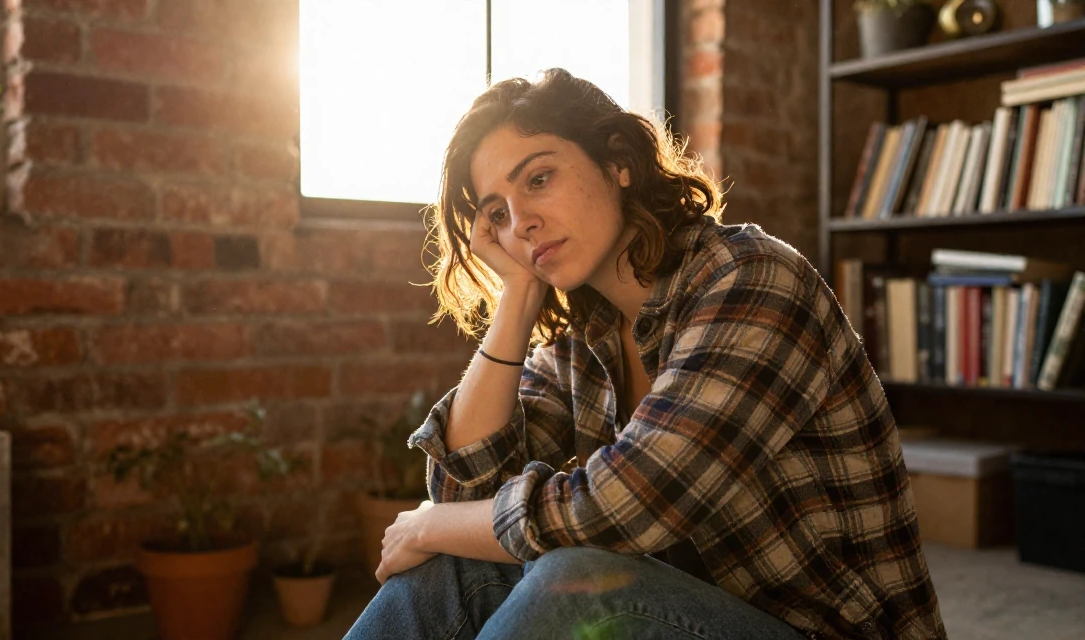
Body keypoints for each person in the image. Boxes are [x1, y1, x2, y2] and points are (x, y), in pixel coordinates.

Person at [344, 68, 946, 640]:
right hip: (679, 615)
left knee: (571, 581)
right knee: (449, 571)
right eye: (497, 213)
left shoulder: (752, 280)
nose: (521, 221)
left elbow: (623, 506)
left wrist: (428, 524)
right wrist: (518, 297)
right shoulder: (584, 340)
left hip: (823, 631)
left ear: (618, 162)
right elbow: (469, 503)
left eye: (538, 179)